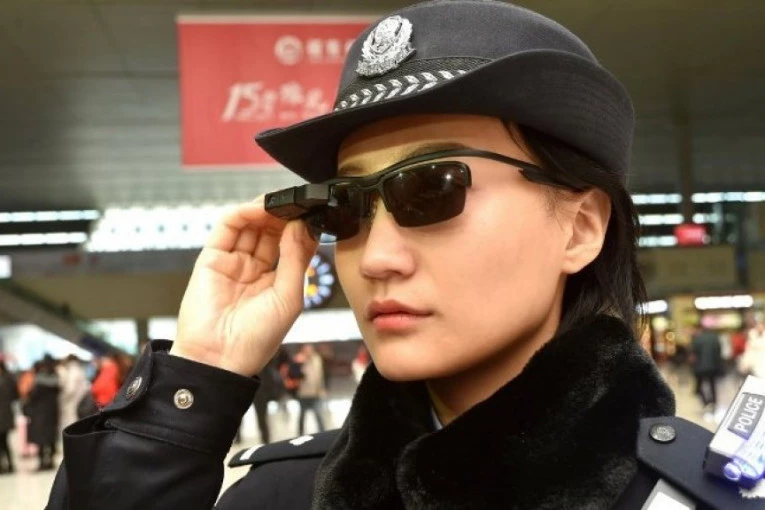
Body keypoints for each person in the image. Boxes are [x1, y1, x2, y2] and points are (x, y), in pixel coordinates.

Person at [47, 2, 756, 508]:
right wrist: (193, 381)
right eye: (344, 208)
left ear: (579, 228)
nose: (376, 258)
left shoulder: (696, 498)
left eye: (432, 188)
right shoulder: (281, 495)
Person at [27, 355, 60, 471]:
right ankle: (50, 460)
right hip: (53, 412)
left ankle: (42, 462)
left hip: (40, 413)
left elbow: (32, 396)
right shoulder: (56, 378)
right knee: (51, 437)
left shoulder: (39, 380)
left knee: (40, 438)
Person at [689, 325, 723, 418]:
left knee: (698, 387)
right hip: (713, 367)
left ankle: (706, 402)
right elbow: (719, 353)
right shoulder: (715, 338)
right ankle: (713, 403)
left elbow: (693, 355)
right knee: (712, 385)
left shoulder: (697, 339)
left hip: (700, 368)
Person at [294, 344, 326, 436]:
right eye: (306, 350)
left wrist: (322, 389)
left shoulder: (317, 359)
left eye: (310, 349)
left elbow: (320, 375)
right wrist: (300, 363)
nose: (309, 352)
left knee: (318, 413)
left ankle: (323, 433)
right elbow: (295, 374)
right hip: (303, 393)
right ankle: (300, 433)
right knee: (302, 414)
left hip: (315, 392)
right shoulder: (299, 360)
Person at [57, 355, 89, 432]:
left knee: (71, 422)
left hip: (72, 402)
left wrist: (61, 398)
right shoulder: (80, 369)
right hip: (80, 400)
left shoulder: (73, 371)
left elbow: (70, 389)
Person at [0, 360, 18, 474]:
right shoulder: (10, 379)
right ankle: (8, 464)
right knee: (4, 442)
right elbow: (15, 396)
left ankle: (6, 465)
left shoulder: (7, 380)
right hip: (6, 414)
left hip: (4, 415)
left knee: (3, 442)